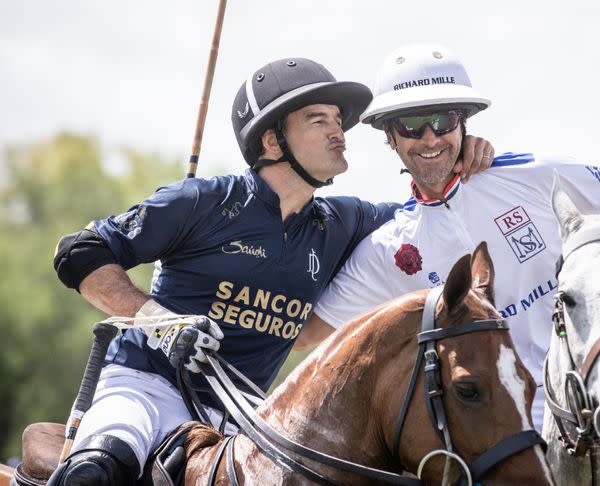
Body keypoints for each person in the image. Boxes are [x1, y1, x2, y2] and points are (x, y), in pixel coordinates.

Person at [306, 44, 600, 485]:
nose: (430, 138)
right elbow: (307, 334)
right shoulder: (387, 250)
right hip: (502, 432)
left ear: (463, 122)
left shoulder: (534, 176)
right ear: (389, 137)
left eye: (442, 119)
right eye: (411, 125)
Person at [48, 56, 495, 485]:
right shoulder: (204, 201)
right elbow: (79, 251)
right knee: (98, 469)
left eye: (339, 120)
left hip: (242, 415)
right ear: (271, 141)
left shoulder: (345, 222)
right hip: (147, 387)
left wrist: (460, 159)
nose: (340, 131)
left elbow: (425, 214)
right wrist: (158, 321)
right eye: (319, 120)